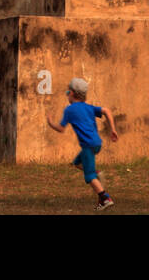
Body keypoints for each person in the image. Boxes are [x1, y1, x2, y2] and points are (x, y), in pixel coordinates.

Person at [46, 76, 118, 210]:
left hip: (88, 146)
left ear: (72, 93)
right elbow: (107, 110)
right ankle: (97, 174)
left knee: (89, 176)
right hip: (97, 143)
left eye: (68, 92)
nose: (67, 94)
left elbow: (61, 129)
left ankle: (105, 198)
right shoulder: (89, 107)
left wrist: (50, 123)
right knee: (77, 163)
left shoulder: (69, 110)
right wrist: (113, 129)